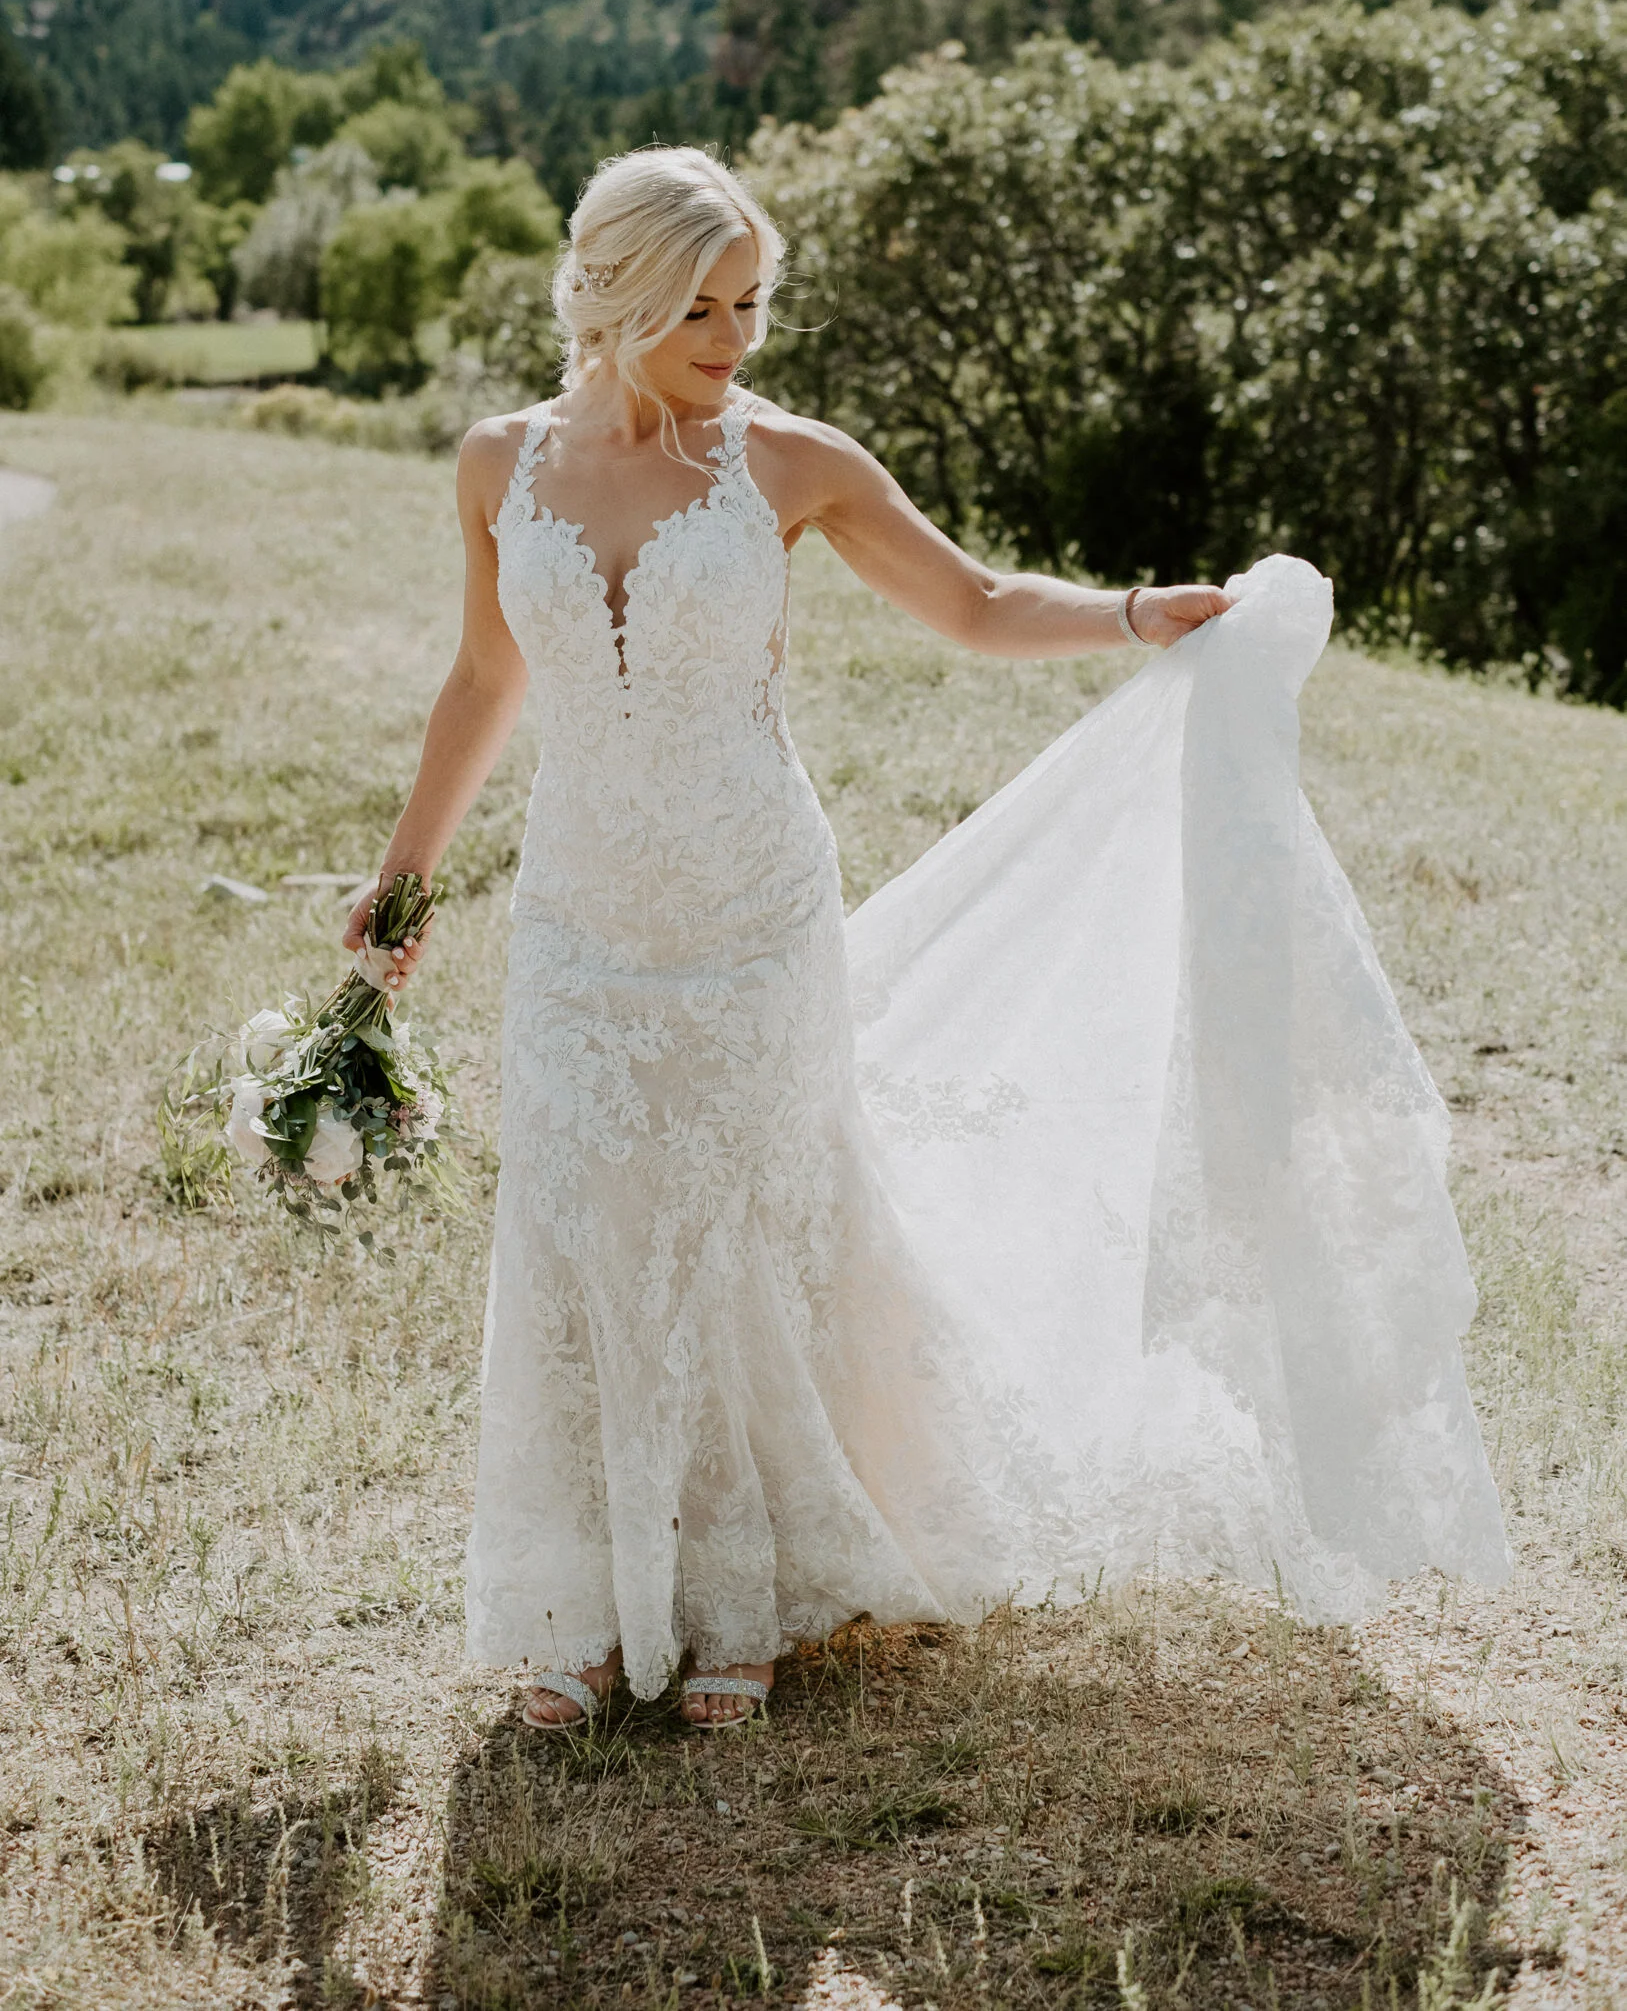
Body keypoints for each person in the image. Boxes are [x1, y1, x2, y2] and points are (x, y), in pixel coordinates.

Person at [348, 146, 1509, 1731]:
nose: (735, 337)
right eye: (702, 307)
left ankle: (749, 1596)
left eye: (751, 302)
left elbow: (969, 603)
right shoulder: (498, 465)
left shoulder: (790, 463)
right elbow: (488, 682)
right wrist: (405, 877)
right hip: (576, 911)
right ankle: (585, 1606)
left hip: (753, 904)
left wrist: (1127, 612)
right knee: (579, 1223)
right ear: (613, 293)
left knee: (751, 1224)